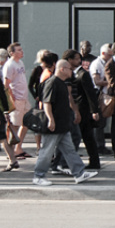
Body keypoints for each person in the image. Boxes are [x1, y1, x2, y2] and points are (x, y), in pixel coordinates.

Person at [32, 58, 97, 186]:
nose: (71, 71)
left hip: (62, 125)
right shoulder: (52, 83)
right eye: (69, 69)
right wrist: (50, 119)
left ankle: (79, 173)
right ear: (62, 69)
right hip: (54, 125)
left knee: (69, 150)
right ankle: (38, 176)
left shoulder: (61, 83)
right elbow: (46, 103)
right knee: (46, 151)